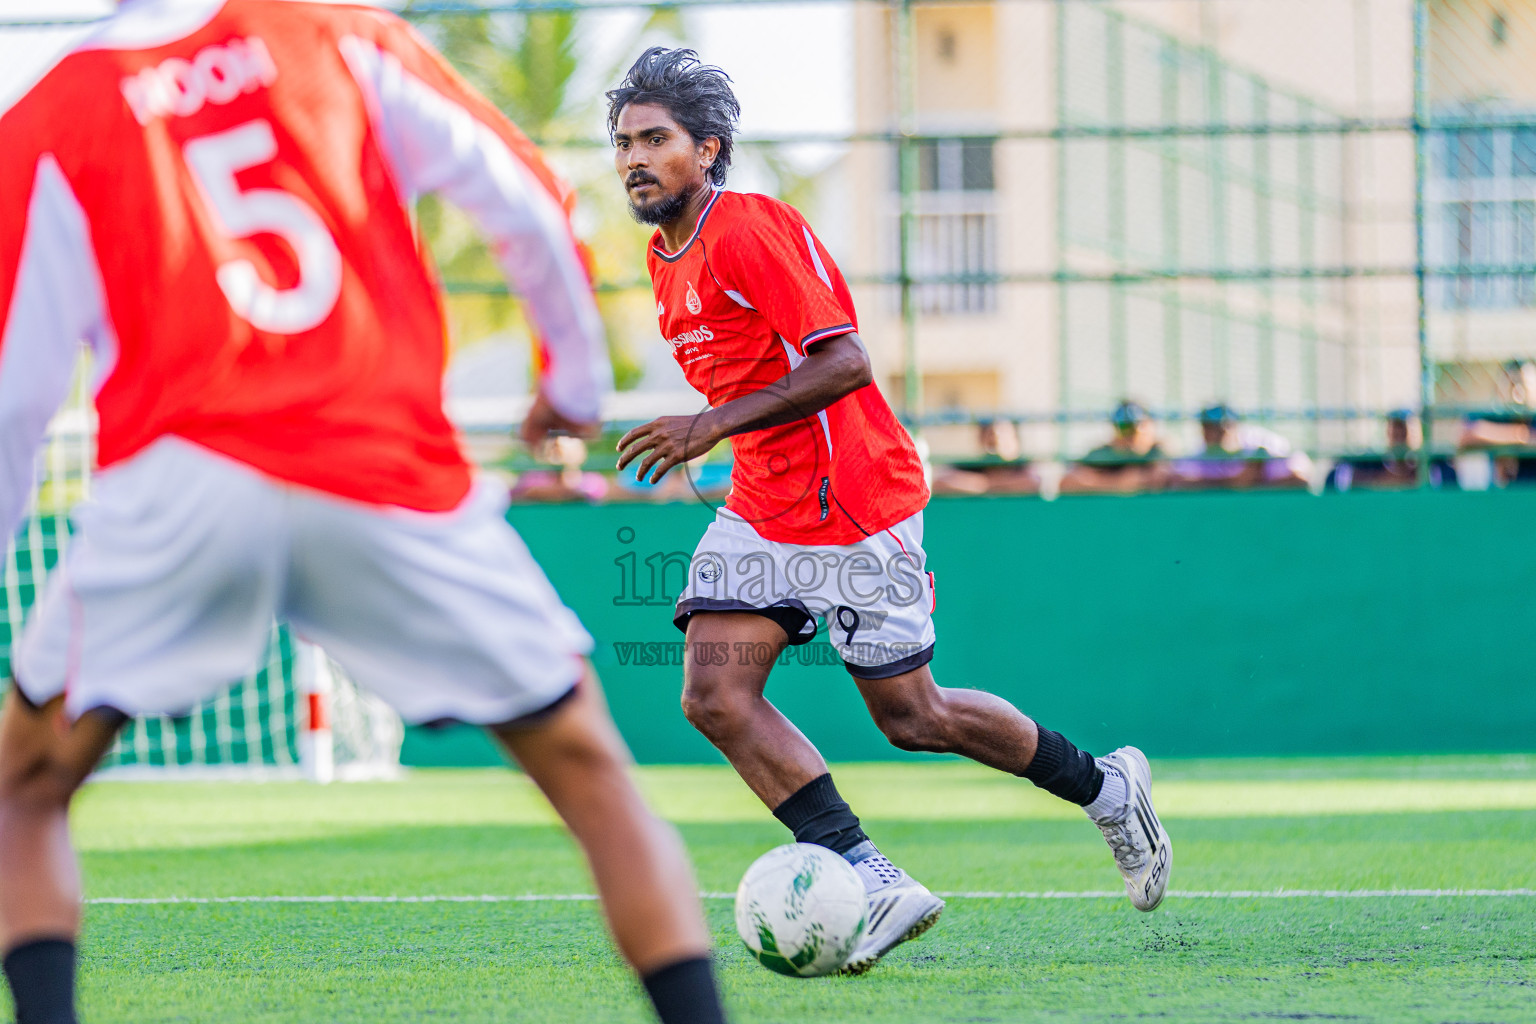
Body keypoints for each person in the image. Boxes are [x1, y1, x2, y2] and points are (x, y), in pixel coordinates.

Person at [0, 5, 726, 1024]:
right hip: (382, 467)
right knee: (592, 771)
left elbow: (14, 399)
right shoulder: (335, 32)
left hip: (180, 483)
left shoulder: (45, 111)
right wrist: (569, 378)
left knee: (25, 788)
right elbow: (525, 198)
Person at [606, 47, 1171, 976]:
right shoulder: (666, 258)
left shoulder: (748, 228)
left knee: (912, 716)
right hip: (765, 507)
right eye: (624, 141)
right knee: (713, 694)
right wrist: (720, 435)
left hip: (856, 498)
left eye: (655, 139)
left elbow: (844, 362)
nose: (634, 156)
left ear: (708, 151)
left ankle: (1106, 787)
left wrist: (708, 423)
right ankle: (864, 872)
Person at [1172, 403, 1312, 490]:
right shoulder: (1200, 453)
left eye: (1220, 427)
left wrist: (1257, 483)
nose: (1212, 434)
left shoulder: (1264, 443)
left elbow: (1301, 480)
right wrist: (1235, 483)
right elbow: (1178, 484)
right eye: (1207, 427)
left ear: (1234, 426)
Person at [1059, 400, 1170, 495]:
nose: (1131, 435)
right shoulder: (1102, 455)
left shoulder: (1158, 454)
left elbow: (1170, 477)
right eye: (1124, 427)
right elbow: (1066, 482)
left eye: (1138, 426)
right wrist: (1117, 484)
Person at [931, 419, 1039, 496]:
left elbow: (1034, 482)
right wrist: (985, 485)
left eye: (1003, 436)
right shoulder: (972, 466)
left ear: (1015, 440)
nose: (997, 442)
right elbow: (940, 482)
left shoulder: (1023, 466)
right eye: (990, 436)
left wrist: (992, 485)